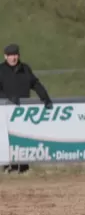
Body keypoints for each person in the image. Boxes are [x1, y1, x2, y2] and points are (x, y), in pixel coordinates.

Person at [0, 43, 52, 173]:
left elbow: (35, 83)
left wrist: (45, 98)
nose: (13, 58)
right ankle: (7, 165)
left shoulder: (25, 69)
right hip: (5, 111)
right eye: (10, 55)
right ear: (5, 56)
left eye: (15, 55)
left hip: (22, 111)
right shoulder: (1, 70)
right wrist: (8, 98)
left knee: (23, 136)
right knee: (6, 138)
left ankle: (23, 166)